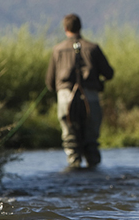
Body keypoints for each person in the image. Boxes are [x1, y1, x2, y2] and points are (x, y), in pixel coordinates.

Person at [46, 14, 114, 168]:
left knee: (70, 139)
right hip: (90, 97)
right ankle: (93, 169)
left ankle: (74, 166)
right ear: (80, 27)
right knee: (91, 140)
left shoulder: (57, 50)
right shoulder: (93, 48)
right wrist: (98, 82)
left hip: (65, 97)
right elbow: (109, 73)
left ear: (65, 29)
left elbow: (50, 82)